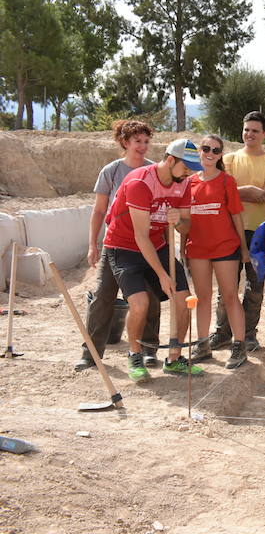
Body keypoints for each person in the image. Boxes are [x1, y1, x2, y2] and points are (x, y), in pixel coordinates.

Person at [101, 139, 204, 382]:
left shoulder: (184, 183)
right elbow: (140, 235)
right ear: (170, 160)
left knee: (184, 300)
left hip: (157, 244)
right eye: (186, 166)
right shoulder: (140, 182)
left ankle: (175, 358)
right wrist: (162, 275)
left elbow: (186, 225)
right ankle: (134, 356)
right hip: (124, 246)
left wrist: (178, 220)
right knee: (139, 304)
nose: (189, 172)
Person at [78, 120, 160, 372]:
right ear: (125, 143)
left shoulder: (154, 171)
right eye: (137, 141)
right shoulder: (111, 171)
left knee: (150, 297)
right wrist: (93, 244)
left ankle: (148, 351)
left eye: (146, 142)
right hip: (114, 246)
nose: (142, 146)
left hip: (145, 247)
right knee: (103, 295)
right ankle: (90, 354)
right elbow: (99, 210)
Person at [208, 111, 265, 359]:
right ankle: (222, 332)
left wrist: (240, 190)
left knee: (255, 287)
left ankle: (249, 333)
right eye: (246, 129)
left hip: (260, 234)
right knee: (226, 287)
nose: (249, 134)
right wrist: (250, 190)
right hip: (229, 230)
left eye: (255, 131)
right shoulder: (228, 159)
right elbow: (222, 192)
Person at [185, 134, 248, 369]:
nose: (210, 153)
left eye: (215, 150)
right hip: (198, 249)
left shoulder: (226, 182)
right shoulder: (189, 182)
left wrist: (243, 247)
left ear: (221, 154)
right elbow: (186, 218)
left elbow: (236, 216)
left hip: (225, 248)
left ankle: (239, 346)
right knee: (202, 297)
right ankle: (202, 345)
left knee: (230, 296)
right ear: (199, 151)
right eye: (206, 149)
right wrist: (183, 247)